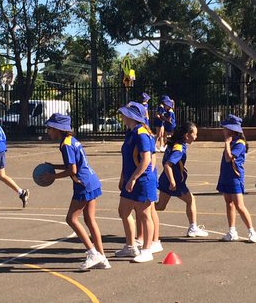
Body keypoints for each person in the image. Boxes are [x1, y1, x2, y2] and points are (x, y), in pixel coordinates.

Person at [44, 113, 111, 270]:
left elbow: (72, 170)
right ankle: (102, 257)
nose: (47, 131)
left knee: (71, 219)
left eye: (49, 128)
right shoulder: (71, 140)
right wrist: (55, 166)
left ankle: (92, 252)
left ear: (57, 129)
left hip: (83, 183)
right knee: (89, 219)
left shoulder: (65, 145)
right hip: (91, 180)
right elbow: (75, 164)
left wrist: (53, 176)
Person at [114, 101, 158, 262]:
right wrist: (123, 177)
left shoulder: (142, 134)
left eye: (124, 114)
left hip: (142, 180)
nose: (122, 117)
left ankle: (147, 250)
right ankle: (131, 246)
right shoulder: (131, 133)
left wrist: (133, 178)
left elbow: (146, 160)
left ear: (131, 116)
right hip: (130, 178)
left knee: (145, 214)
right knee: (123, 211)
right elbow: (127, 159)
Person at [156, 121, 208, 237]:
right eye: (194, 134)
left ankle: (143, 210)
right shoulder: (179, 148)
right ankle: (193, 227)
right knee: (190, 200)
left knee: (160, 206)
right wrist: (173, 182)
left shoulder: (175, 143)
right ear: (187, 135)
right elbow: (167, 165)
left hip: (165, 179)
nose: (196, 137)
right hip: (174, 180)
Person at [217, 114, 256, 243]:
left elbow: (229, 158)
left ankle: (251, 231)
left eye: (225, 128)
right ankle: (232, 231)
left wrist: (227, 143)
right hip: (226, 175)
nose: (223, 130)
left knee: (239, 205)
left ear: (231, 130)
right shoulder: (232, 141)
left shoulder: (239, 143)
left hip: (235, 176)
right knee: (229, 203)